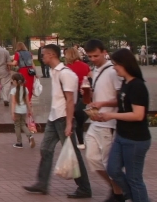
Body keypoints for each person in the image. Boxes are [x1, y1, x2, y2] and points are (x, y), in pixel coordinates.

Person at [23, 43, 91, 198]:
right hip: (54, 117)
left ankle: (85, 187)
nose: (42, 57)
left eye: (43, 55)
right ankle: (42, 183)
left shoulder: (66, 73)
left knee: (73, 153)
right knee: (45, 149)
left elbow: (69, 100)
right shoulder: (54, 72)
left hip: (63, 118)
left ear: (52, 55)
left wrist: (68, 123)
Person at [91, 49, 151, 202]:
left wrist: (111, 115)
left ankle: (138, 197)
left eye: (116, 64)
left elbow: (138, 115)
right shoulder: (125, 83)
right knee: (113, 169)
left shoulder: (137, 86)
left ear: (125, 64)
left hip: (136, 139)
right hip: (122, 135)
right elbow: (123, 102)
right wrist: (103, 104)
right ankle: (130, 195)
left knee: (134, 177)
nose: (114, 68)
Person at [82, 39, 125, 202]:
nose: (93, 59)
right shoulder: (95, 70)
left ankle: (118, 192)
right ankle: (117, 189)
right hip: (95, 120)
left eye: (96, 55)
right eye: (90, 56)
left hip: (109, 122)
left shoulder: (113, 72)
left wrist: (103, 103)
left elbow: (121, 99)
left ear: (104, 52)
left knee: (108, 163)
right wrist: (90, 95)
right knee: (92, 159)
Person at [65, 47, 90, 149]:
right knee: (80, 118)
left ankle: (75, 141)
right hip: (84, 94)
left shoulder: (67, 68)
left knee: (73, 118)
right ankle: (81, 142)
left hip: (72, 94)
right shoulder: (85, 66)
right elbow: (91, 78)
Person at [10, 72, 34, 149]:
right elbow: (27, 101)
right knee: (23, 124)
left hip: (17, 110)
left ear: (16, 81)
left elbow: (13, 102)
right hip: (24, 110)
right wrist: (30, 110)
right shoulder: (25, 89)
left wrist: (12, 113)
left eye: (13, 81)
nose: (12, 82)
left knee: (17, 125)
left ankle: (19, 142)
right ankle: (30, 136)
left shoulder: (13, 90)